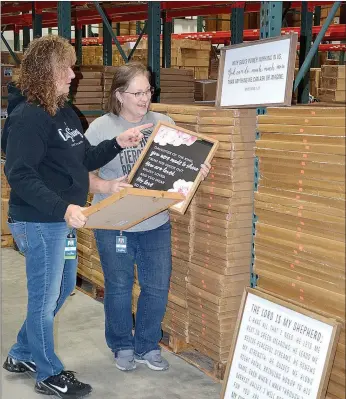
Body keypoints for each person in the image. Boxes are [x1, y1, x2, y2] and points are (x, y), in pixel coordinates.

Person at [1, 36, 150, 398]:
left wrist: (119, 142)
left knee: (64, 287)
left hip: (61, 222)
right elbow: (18, 174)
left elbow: (83, 160)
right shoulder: (27, 117)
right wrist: (62, 207)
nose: (73, 73)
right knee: (45, 295)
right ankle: (48, 373)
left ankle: (21, 354)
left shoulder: (64, 112)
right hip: (39, 222)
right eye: (66, 67)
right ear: (46, 72)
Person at [85, 62, 210, 372]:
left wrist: (196, 171)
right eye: (137, 92)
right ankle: (121, 344)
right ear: (119, 95)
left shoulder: (163, 123)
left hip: (155, 223)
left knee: (156, 286)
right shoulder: (101, 128)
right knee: (119, 286)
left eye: (148, 91)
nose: (144, 99)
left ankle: (147, 344)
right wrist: (108, 185)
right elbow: (81, 175)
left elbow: (177, 169)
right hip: (115, 224)